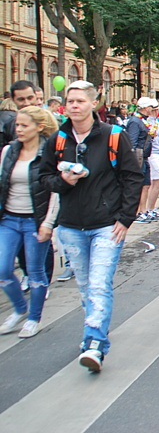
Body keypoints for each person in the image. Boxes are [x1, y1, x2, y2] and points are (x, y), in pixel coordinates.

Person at [39, 80, 143, 372]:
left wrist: (125, 218)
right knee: (86, 286)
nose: (74, 106)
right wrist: (62, 181)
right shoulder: (58, 140)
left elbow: (132, 177)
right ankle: (96, 329)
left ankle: (94, 345)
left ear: (93, 104)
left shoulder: (114, 136)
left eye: (79, 101)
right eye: (69, 101)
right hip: (71, 226)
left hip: (106, 225)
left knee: (98, 283)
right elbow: (44, 177)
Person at [0, 106, 59, 338]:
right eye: (17, 125)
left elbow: (56, 192)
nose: (19, 130)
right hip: (9, 219)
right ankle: (20, 309)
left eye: (24, 125)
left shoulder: (50, 154)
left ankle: (34, 317)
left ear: (39, 127)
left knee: (35, 272)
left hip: (35, 220)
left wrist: (48, 223)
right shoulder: (9, 151)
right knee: (3, 269)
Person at [127, 97, 157, 224]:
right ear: (145, 107)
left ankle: (143, 210)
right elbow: (132, 141)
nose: (152, 109)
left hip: (145, 156)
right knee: (140, 185)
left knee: (146, 185)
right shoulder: (135, 122)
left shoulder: (143, 121)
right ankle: (138, 212)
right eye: (151, 107)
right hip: (139, 157)